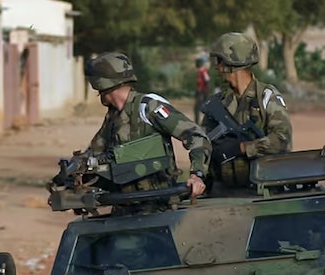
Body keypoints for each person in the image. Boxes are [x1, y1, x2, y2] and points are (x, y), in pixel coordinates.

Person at [84, 52, 211, 203]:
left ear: (101, 84)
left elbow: (197, 136)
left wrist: (197, 175)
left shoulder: (148, 107)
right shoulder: (113, 116)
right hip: (125, 206)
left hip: (159, 208)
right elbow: (95, 152)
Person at [203, 32, 294, 189]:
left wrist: (243, 148)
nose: (217, 67)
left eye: (220, 61)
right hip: (223, 190)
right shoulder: (217, 103)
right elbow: (202, 141)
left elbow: (282, 139)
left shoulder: (266, 97)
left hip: (262, 188)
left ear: (229, 63)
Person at [193, 55, 211, 124]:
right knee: (199, 108)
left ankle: (199, 123)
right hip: (200, 92)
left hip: (203, 92)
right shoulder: (199, 72)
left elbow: (207, 80)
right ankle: (198, 122)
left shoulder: (202, 71)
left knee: (198, 108)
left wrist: (205, 91)